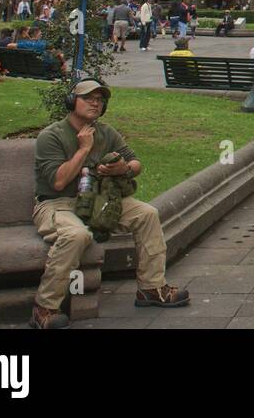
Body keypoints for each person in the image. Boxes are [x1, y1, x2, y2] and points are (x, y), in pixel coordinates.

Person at [29, 78, 189, 328]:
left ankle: (151, 288)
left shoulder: (106, 132)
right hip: (58, 203)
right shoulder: (52, 136)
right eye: (88, 98)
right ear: (72, 101)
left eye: (99, 99)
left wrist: (123, 168)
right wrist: (83, 149)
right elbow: (58, 182)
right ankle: (45, 308)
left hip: (98, 201)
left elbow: (136, 163)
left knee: (147, 213)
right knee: (76, 235)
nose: (95, 103)